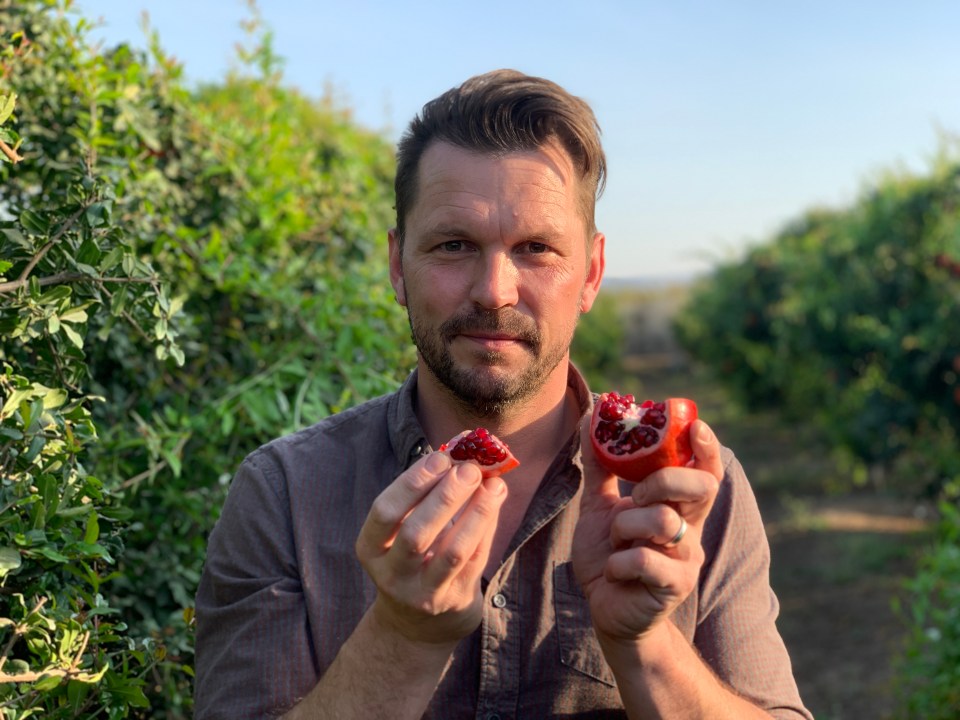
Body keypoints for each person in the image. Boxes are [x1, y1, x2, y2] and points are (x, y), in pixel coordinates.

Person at [193, 69, 812, 720]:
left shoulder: (692, 494)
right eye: (453, 244)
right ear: (397, 266)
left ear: (592, 273)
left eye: (536, 249)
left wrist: (647, 645)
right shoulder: (284, 496)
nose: (494, 289)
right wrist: (402, 637)